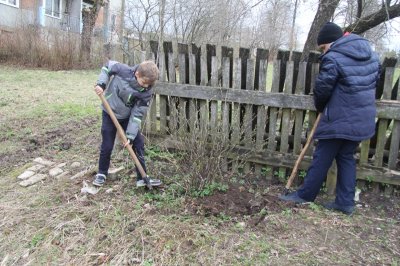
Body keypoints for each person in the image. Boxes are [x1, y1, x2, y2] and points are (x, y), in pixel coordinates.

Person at [279, 22, 381, 215]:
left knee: (322, 157)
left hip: (339, 117)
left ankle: (305, 196)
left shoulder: (334, 57)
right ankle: (345, 203)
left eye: (323, 47)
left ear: (332, 42)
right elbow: (375, 79)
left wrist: (321, 106)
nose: (323, 52)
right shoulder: (371, 55)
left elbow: (323, 88)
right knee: (346, 158)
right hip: (362, 118)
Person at [93, 60, 162, 187]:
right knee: (107, 144)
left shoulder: (146, 93)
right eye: (144, 83)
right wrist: (101, 84)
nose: (146, 87)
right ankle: (102, 173)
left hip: (126, 117)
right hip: (109, 112)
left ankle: (141, 177)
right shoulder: (122, 70)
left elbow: (136, 115)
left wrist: (130, 136)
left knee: (138, 143)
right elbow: (107, 67)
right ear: (137, 74)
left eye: (149, 85)